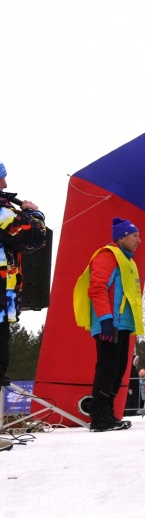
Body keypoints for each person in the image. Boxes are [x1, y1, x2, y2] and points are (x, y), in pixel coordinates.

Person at [73, 217, 144, 431]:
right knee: (107, 369)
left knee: (119, 369)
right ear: (122, 237)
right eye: (135, 235)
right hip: (110, 323)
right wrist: (105, 319)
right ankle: (99, 416)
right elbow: (97, 288)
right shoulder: (107, 256)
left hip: (122, 324)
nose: (139, 240)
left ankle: (107, 413)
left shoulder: (127, 259)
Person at [0, 162, 48, 388]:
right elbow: (33, 236)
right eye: (1, 178)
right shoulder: (2, 212)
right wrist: (32, 213)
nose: (5, 184)